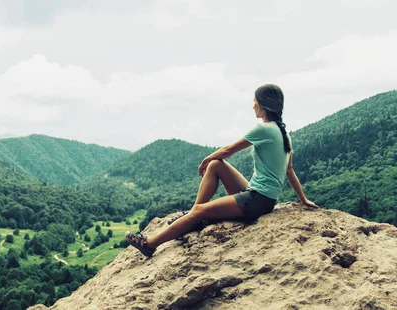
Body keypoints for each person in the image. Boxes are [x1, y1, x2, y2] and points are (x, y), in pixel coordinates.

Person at [125, 84, 319, 257]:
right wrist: (303, 199)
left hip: (256, 201)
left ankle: (150, 244)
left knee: (209, 179)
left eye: (254, 101)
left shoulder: (265, 130)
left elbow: (228, 150)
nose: (252, 105)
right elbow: (290, 170)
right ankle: (192, 216)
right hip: (260, 196)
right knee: (216, 166)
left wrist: (206, 158)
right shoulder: (283, 133)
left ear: (262, 104)